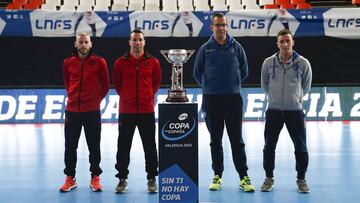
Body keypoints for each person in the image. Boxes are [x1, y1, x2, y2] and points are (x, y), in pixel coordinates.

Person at [193, 12, 255, 192]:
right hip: (211, 100)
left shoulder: (237, 47)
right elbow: (198, 74)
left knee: (237, 141)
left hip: (233, 100)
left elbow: (244, 71)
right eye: (217, 25)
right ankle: (217, 175)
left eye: (223, 25)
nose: (220, 28)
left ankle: (243, 177)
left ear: (227, 27)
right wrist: (210, 87)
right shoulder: (205, 49)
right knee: (215, 141)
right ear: (211, 27)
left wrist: (231, 86)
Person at [260, 29, 312, 193]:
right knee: (269, 147)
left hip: (294, 111)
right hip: (274, 111)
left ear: (292, 42)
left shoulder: (303, 63)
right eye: (281, 41)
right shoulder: (268, 63)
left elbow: (306, 85)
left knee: (301, 147)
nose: (285, 44)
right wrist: (275, 98)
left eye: (287, 41)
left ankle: (301, 179)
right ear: (277, 44)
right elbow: (264, 84)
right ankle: (269, 178)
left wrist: (295, 98)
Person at [113, 29, 162, 193]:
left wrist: (146, 97)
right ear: (129, 42)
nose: (137, 43)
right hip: (126, 111)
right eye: (134, 40)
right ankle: (121, 178)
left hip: (146, 111)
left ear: (144, 42)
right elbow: (117, 85)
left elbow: (155, 84)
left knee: (150, 147)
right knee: (123, 146)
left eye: (140, 40)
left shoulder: (153, 62)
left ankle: (151, 178)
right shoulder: (120, 62)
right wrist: (127, 98)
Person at [59, 32, 110, 192]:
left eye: (86, 42)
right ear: (75, 44)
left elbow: (106, 85)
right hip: (72, 111)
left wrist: (95, 100)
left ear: (91, 44)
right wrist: (74, 98)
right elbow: (67, 83)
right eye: (80, 42)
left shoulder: (99, 62)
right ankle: (70, 178)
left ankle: (95, 177)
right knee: (70, 146)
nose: (83, 45)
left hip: (92, 111)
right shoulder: (68, 62)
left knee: (94, 146)